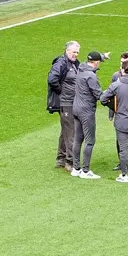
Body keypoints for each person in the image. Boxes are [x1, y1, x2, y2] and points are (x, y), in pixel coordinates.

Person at [70, 51, 108, 179]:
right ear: (96, 63)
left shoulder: (81, 69)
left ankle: (76, 169)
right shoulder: (91, 76)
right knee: (90, 141)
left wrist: (103, 56)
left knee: (77, 139)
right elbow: (99, 95)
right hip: (86, 111)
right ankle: (85, 171)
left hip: (75, 108)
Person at [47, 40, 80, 171]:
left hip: (70, 101)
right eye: (74, 52)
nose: (76, 54)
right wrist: (62, 91)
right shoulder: (61, 63)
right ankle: (70, 162)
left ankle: (61, 158)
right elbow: (52, 79)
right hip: (66, 103)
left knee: (66, 131)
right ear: (67, 51)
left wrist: (101, 57)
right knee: (71, 131)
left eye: (77, 52)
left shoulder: (73, 63)